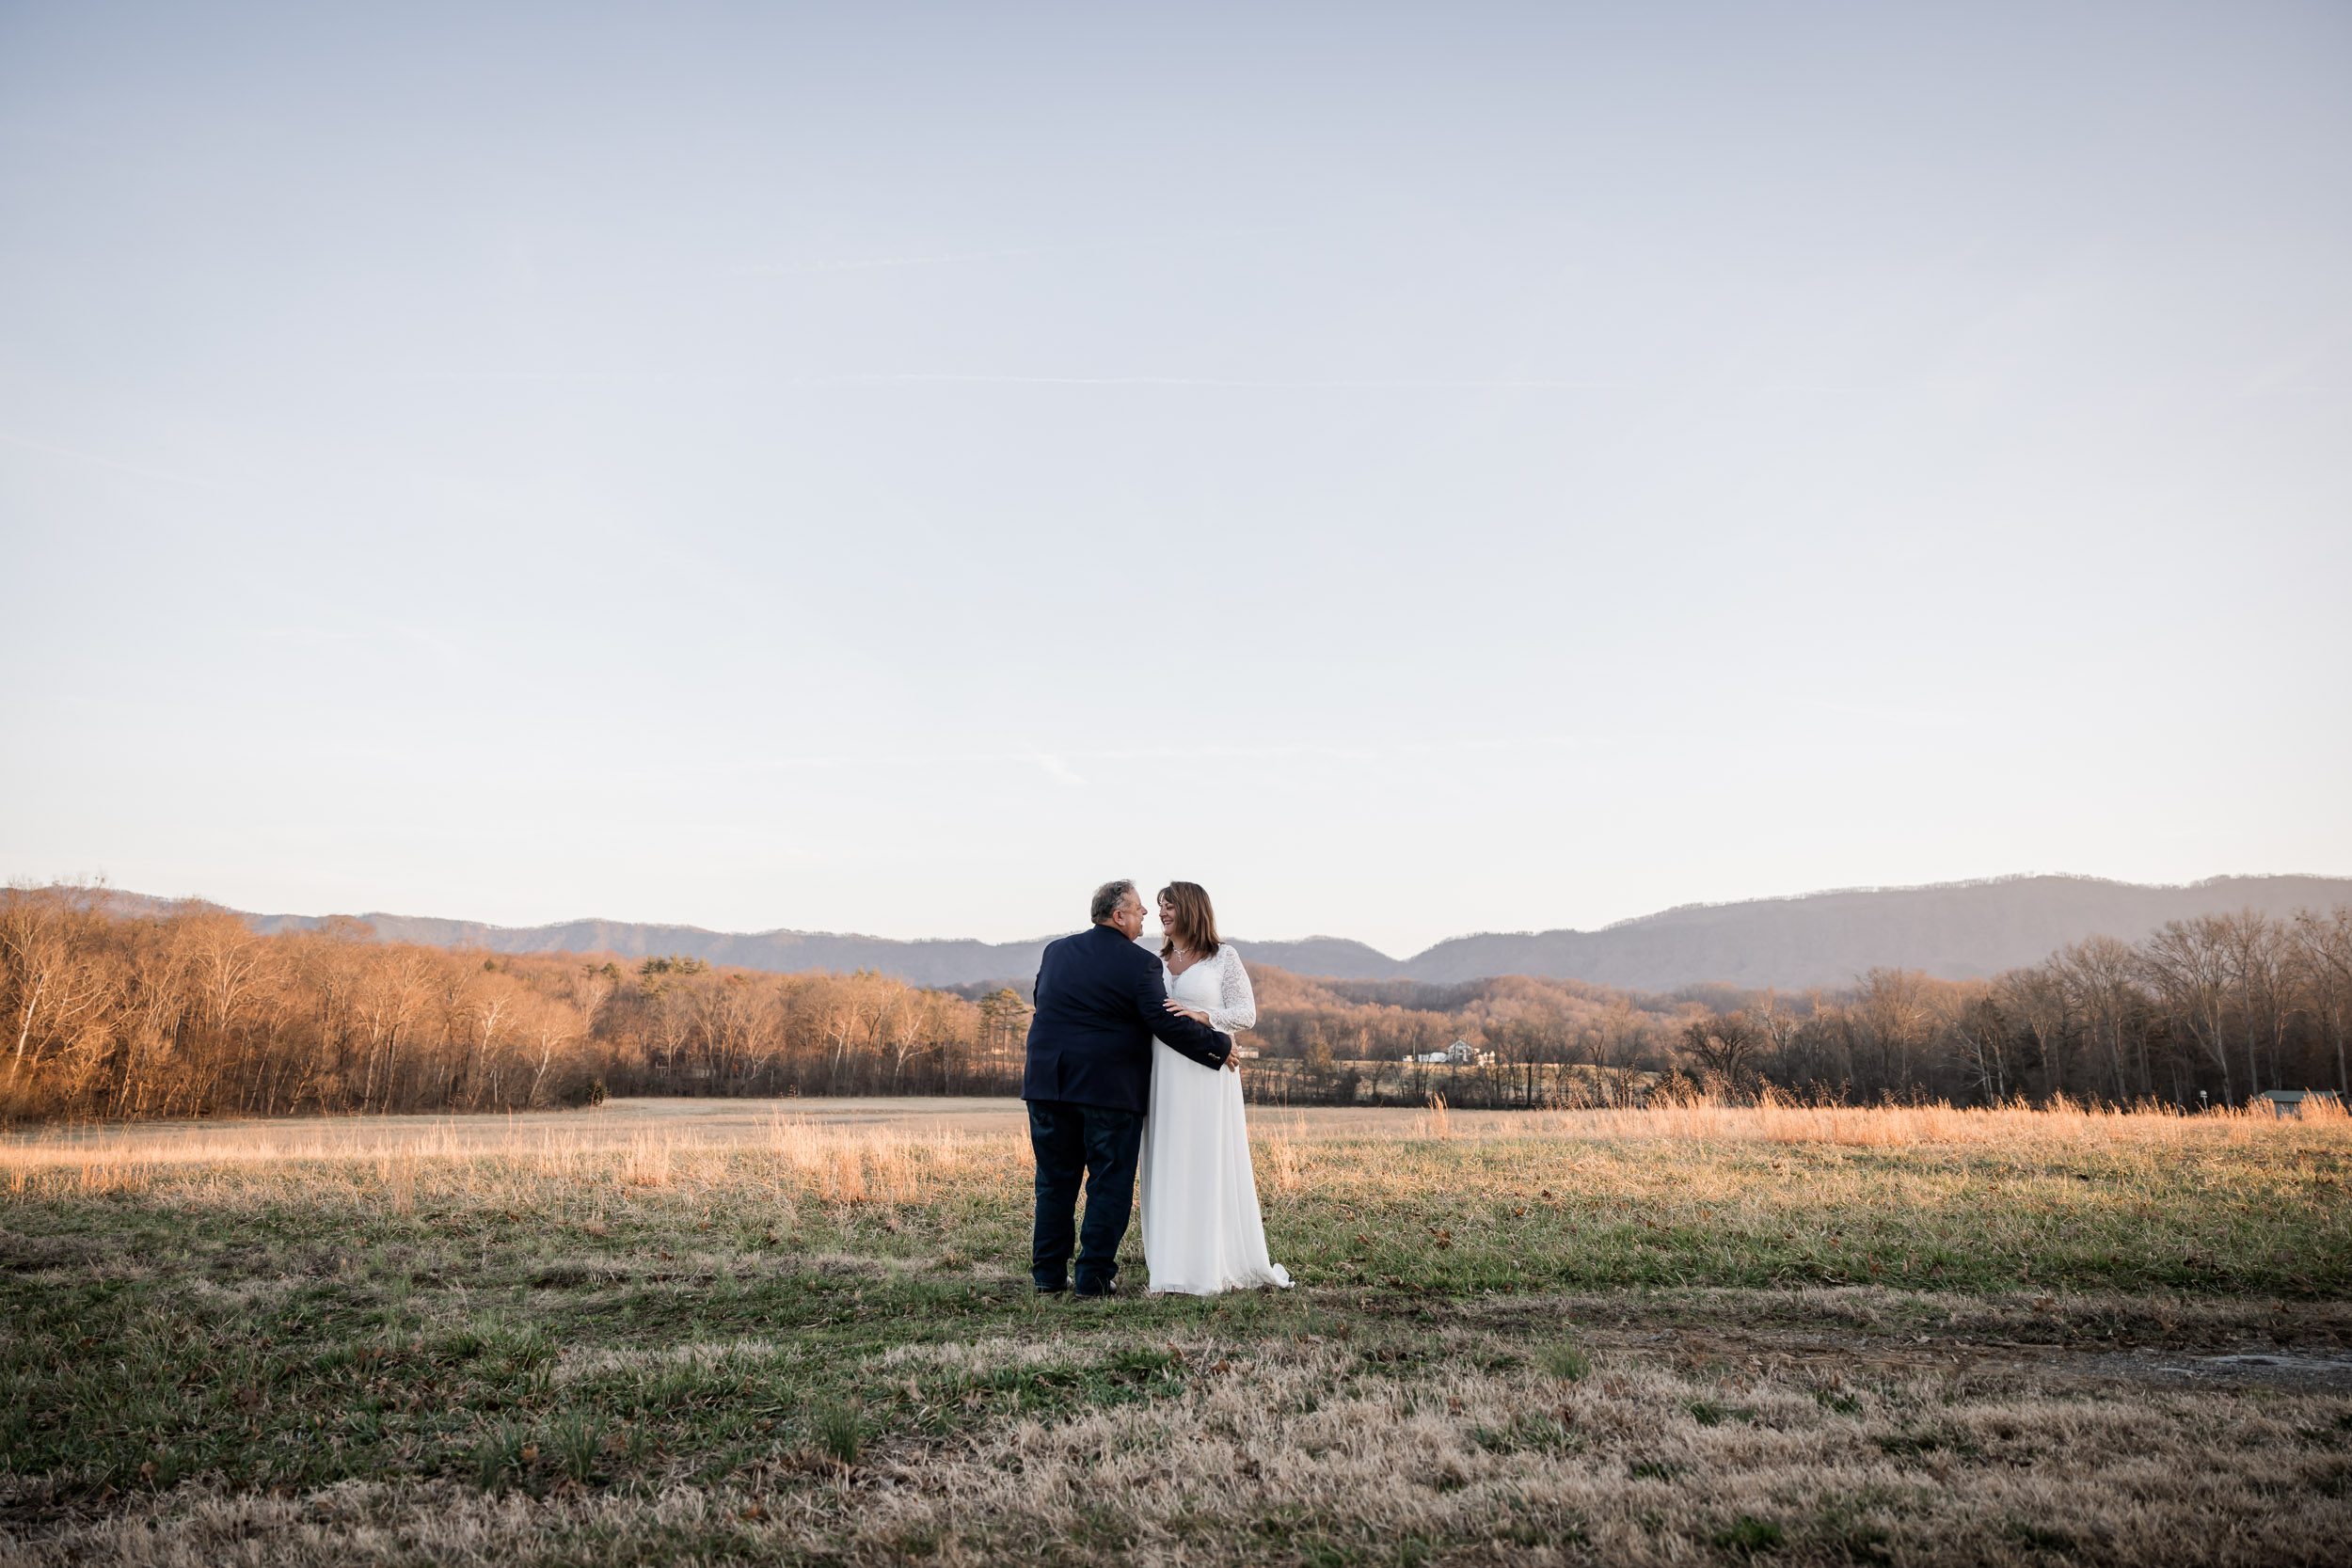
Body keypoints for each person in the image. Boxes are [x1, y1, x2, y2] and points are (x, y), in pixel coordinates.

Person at [1022, 879, 1233, 1296]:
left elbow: (1042, 1000)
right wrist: (1218, 1046)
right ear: (1119, 916)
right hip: (1108, 1089)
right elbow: (1162, 1020)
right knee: (1109, 1182)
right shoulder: (1141, 964)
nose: (1146, 914)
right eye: (1139, 909)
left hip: (1048, 1083)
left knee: (1053, 1181)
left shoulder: (1056, 951)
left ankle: (1048, 1275)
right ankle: (1094, 1278)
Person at [1138, 880, 1294, 1293]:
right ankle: (1170, 1261)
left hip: (1208, 1072)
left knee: (1205, 1157)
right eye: (1159, 906)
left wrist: (1204, 1016)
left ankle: (1209, 1259)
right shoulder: (1156, 960)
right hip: (1162, 1071)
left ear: (1191, 909)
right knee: (1167, 1155)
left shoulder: (1223, 957)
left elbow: (1246, 1013)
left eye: (1169, 906)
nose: (1161, 913)